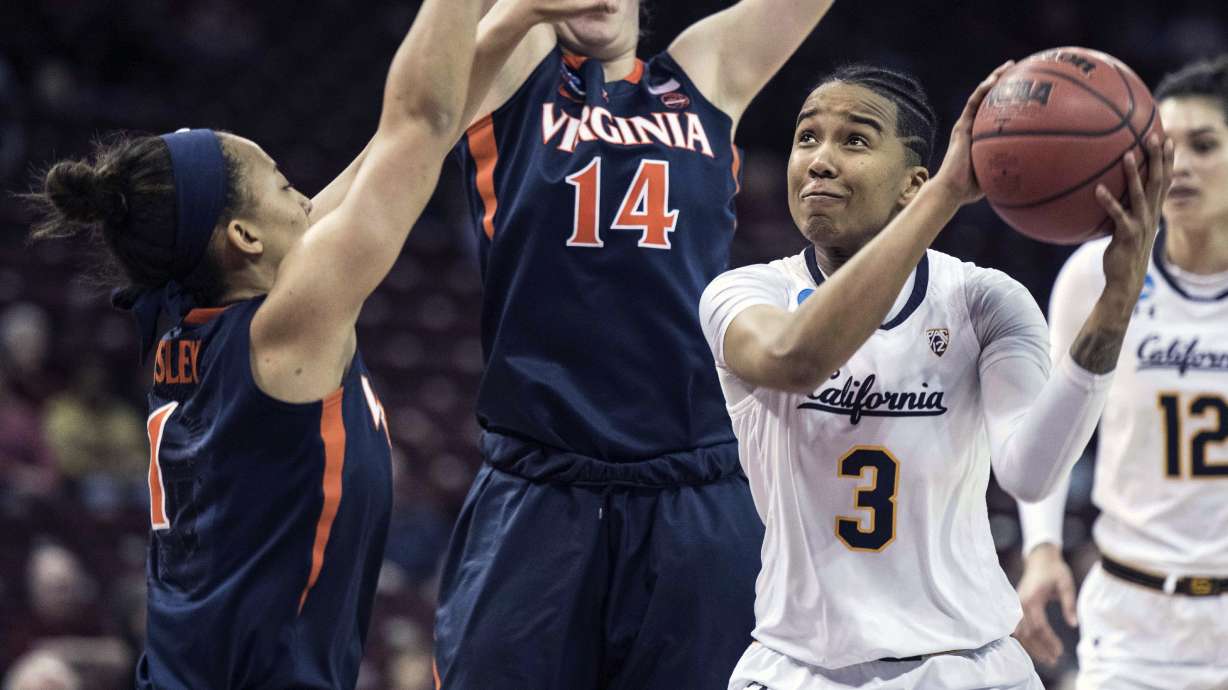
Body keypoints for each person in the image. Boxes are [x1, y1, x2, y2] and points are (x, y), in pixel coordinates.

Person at [23, 0, 608, 685]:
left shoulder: (184, 310)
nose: (306, 198)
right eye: (284, 183)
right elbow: (417, 124)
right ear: (243, 238)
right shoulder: (286, 327)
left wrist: (509, 25)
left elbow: (396, 144)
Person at [698, 60, 1173, 690]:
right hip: (799, 666)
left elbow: (1030, 474)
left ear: (911, 183)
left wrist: (1114, 308)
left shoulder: (984, 300)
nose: (818, 160)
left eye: (855, 140)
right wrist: (945, 196)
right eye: (806, 137)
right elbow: (794, 359)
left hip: (967, 662)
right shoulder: (746, 294)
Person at [434, 1, 837, 687]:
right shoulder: (516, 73)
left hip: (696, 491)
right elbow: (424, 97)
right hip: (539, 491)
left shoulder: (702, 71)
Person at [1016, 54, 1228, 690]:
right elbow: (1051, 427)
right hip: (1131, 615)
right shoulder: (1094, 273)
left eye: (1205, 145)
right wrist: (1042, 548)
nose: (1180, 165)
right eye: (1166, 147)